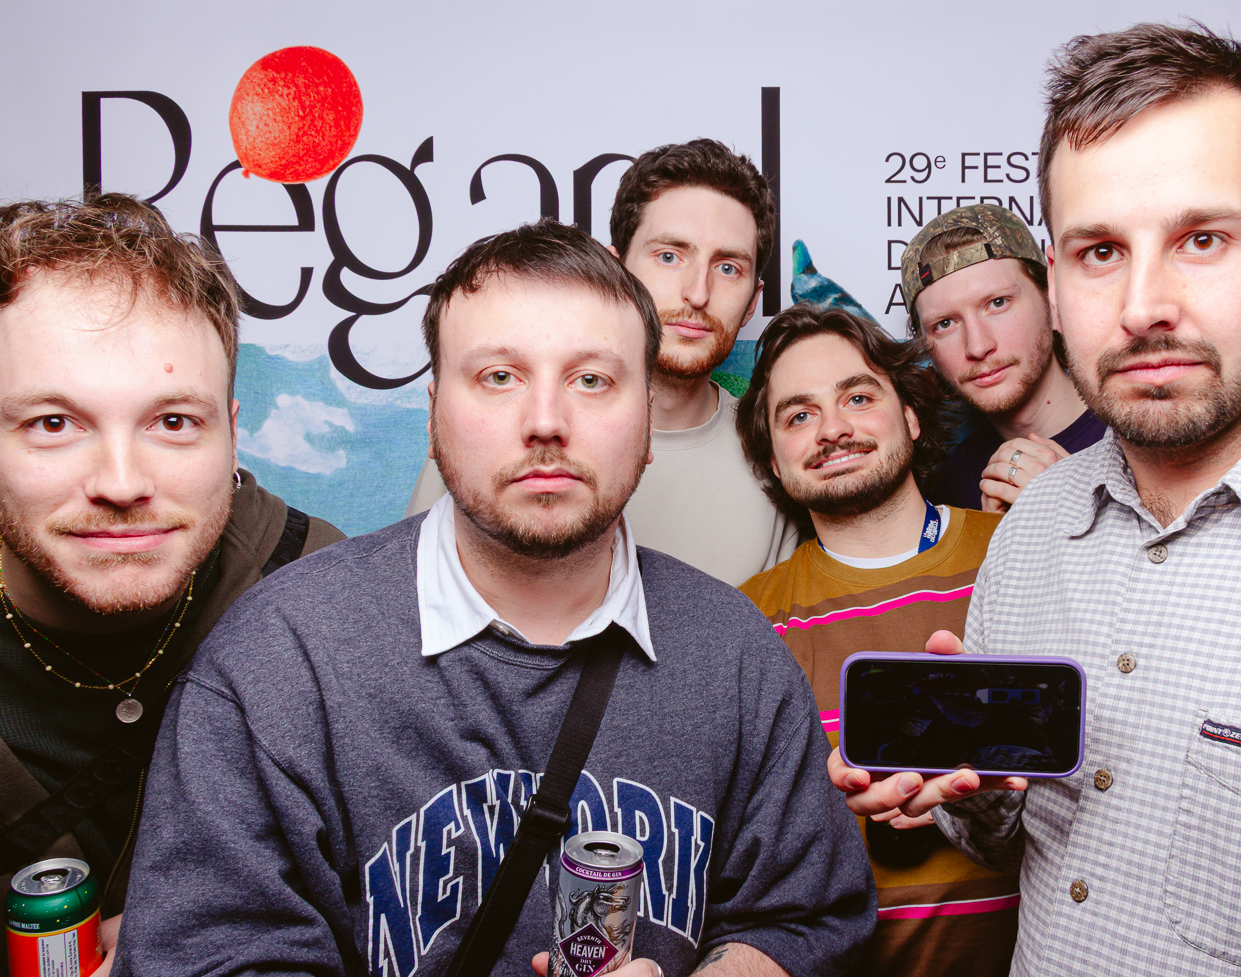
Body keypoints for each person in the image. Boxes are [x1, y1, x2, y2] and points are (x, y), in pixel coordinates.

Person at [833, 23, 1241, 976]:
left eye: (1202, 239)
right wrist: (976, 791)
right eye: (1099, 251)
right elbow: (1020, 840)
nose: (1142, 305)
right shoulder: (1030, 533)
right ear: (1056, 279)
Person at [116, 221, 874, 977]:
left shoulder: (737, 655)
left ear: (648, 417)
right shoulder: (277, 662)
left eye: (592, 380)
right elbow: (211, 956)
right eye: (499, 376)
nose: (546, 422)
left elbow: (804, 919)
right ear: (434, 412)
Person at [0, 195, 343, 977]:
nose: (122, 482)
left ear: (231, 429)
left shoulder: (324, 591)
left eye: (172, 422)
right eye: (53, 424)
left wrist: (205, 934)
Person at [735, 304, 1017, 976]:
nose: (833, 429)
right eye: (798, 415)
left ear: (911, 417)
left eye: (858, 398)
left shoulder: (1020, 550)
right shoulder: (748, 622)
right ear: (773, 458)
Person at [407, 139, 798, 585]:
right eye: (669, 256)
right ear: (616, 271)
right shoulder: (495, 436)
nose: (697, 293)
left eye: (728, 268)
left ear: (753, 301)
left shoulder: (777, 454)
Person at [902, 206, 1104, 513]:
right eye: (945, 324)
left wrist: (1078, 513)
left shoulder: (1141, 432)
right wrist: (995, 534)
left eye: (997, 303)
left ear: (1053, 303)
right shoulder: (946, 488)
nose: (978, 346)